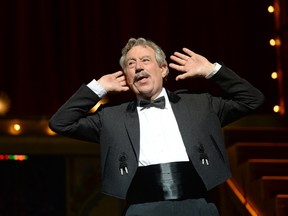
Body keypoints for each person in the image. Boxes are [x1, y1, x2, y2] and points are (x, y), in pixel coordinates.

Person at [49, 37, 265, 216]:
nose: (139, 67)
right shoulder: (111, 117)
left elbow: (252, 100)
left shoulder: (200, 104)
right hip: (141, 210)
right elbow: (60, 123)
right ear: (126, 76)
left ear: (163, 69)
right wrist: (97, 88)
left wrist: (212, 71)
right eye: (131, 64)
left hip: (197, 207)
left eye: (145, 60)